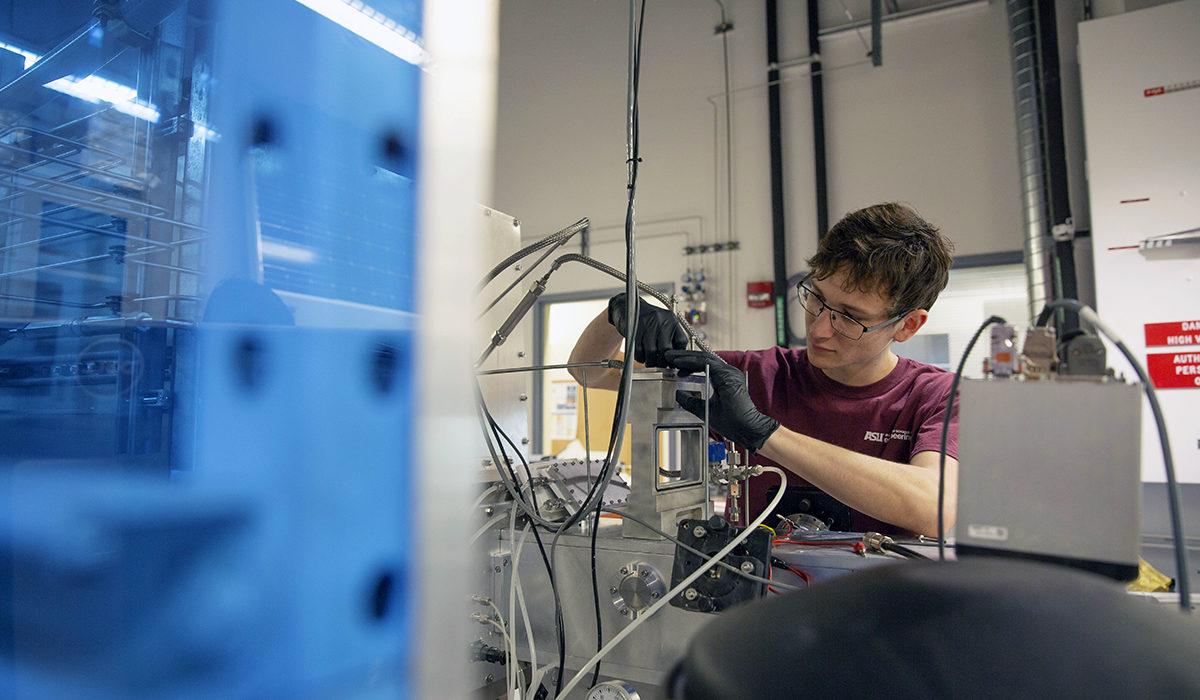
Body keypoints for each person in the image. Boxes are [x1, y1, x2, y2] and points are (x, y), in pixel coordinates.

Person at [567, 202, 957, 537]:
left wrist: (763, 432)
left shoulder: (935, 395)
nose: (819, 328)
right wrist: (618, 314)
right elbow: (588, 373)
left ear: (908, 325)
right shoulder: (753, 376)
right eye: (816, 299)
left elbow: (933, 508)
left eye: (850, 318)